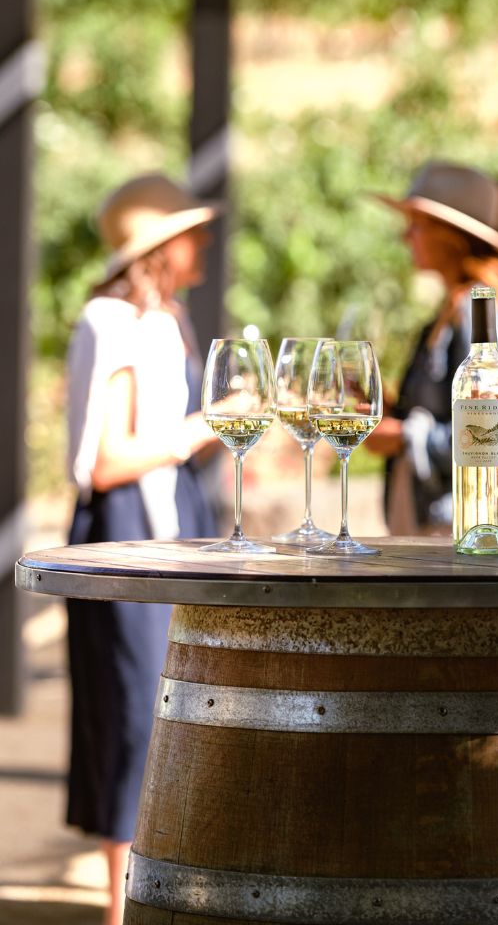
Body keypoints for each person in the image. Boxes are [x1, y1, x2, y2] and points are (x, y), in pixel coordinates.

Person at [64, 173, 222, 925]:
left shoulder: (167, 319)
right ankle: (118, 907)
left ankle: (162, 891)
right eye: (191, 233)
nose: (204, 243)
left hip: (172, 523)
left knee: (175, 704)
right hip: (125, 531)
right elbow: (106, 461)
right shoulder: (112, 321)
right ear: (161, 246)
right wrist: (207, 426)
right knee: (132, 713)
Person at [365, 161, 498, 534]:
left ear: (449, 236)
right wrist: (390, 411)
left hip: (481, 524)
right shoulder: (465, 307)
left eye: (416, 225)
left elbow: (493, 430)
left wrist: (401, 437)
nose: (406, 237)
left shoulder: (480, 311)